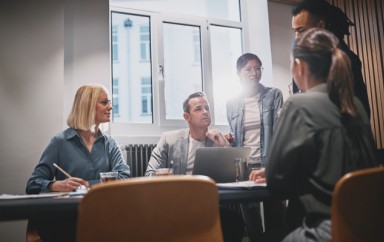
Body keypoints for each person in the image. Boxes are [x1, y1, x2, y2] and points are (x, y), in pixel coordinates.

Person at [249, 28, 377, 241]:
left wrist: (272, 172)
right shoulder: (355, 105)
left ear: (298, 66)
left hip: (326, 231)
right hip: (367, 226)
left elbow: (278, 184)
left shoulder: (298, 105)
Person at [26, 84, 130, 241]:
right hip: (68, 218)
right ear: (87, 106)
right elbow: (33, 184)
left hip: (103, 215)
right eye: (104, 102)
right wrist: (55, 185)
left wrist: (88, 185)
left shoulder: (110, 143)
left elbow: (124, 178)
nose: (111, 107)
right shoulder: (59, 142)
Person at [145, 92, 244, 242]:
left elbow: (239, 177)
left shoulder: (216, 140)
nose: (205, 112)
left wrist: (224, 145)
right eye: (198, 109)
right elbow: (150, 174)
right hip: (175, 205)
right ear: (187, 117)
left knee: (235, 222)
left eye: (207, 108)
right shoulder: (169, 139)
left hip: (206, 204)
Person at [226, 53, 285, 242]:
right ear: (238, 73)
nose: (254, 72)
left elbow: (280, 131)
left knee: (276, 210)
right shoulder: (232, 103)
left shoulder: (273, 94)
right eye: (248, 69)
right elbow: (236, 136)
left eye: (258, 68)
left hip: (268, 162)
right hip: (244, 164)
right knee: (250, 217)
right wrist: (229, 138)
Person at [291, 0, 371, 119]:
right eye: (294, 31)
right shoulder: (305, 57)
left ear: (320, 26)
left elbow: (359, 111)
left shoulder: (342, 58)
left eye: (301, 30)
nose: (296, 37)